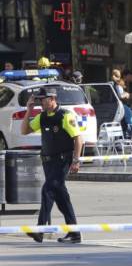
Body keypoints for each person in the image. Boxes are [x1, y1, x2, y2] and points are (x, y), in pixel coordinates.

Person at [20, 87, 83, 244]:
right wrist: (28, 110)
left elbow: (78, 139)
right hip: (48, 162)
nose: (41, 102)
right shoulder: (42, 117)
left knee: (48, 189)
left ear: (53, 98)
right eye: (40, 99)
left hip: (62, 160)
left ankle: (40, 230)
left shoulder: (65, 115)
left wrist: (76, 160)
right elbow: (24, 130)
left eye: (43, 99)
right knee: (61, 197)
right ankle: (74, 233)